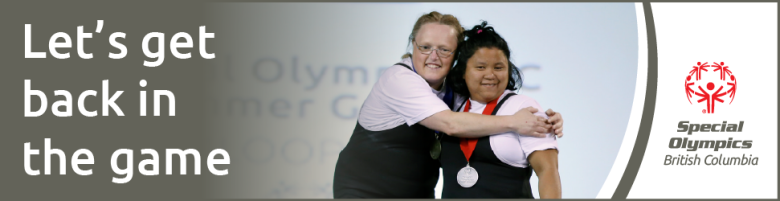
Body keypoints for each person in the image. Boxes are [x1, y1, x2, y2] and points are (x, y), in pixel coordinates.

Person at [332, 12, 564, 198]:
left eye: (444, 50)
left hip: (418, 192)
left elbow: (482, 103)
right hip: (365, 191)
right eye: (425, 47)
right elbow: (450, 124)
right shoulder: (398, 79)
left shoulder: (458, 92)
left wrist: (548, 119)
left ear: (456, 57)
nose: (434, 56)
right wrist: (514, 123)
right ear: (413, 45)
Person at [441, 22, 561, 198]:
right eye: (480, 67)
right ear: (463, 72)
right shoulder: (452, 107)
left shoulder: (524, 107)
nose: (491, 75)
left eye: (499, 67)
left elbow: (548, 171)